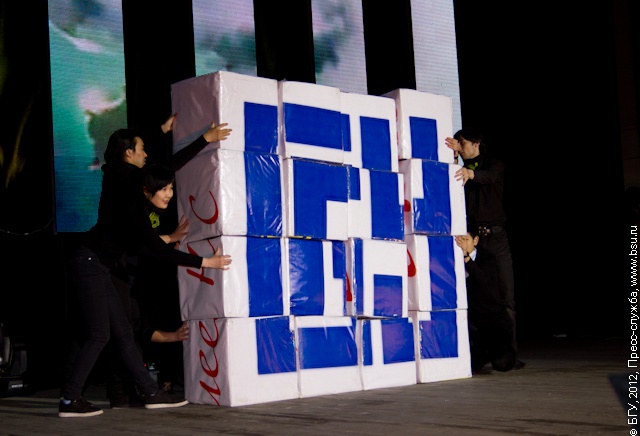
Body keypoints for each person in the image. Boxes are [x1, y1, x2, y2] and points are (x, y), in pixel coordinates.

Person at [59, 120, 233, 418]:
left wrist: (162, 131)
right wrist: (207, 262)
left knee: (124, 334)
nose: (146, 154)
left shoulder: (128, 192)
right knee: (98, 334)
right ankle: (69, 399)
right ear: (128, 153)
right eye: (141, 149)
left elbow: (146, 242)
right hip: (89, 263)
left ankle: (152, 393)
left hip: (99, 266)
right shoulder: (123, 180)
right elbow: (165, 170)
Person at [445, 128, 522, 367]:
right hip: (474, 238)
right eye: (458, 143)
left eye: (463, 143)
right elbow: (453, 180)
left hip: (496, 238)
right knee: (473, 295)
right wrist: (453, 158)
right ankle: (477, 353)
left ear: (476, 143)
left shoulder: (493, 164)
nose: (460, 147)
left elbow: (488, 176)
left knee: (505, 297)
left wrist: (471, 173)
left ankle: (509, 354)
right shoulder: (460, 169)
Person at [455, 222, 518, 372]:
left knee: (503, 364)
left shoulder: (487, 258)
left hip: (493, 319)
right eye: (459, 241)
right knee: (472, 365)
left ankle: (503, 352)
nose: (462, 244)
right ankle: (481, 355)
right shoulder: (452, 258)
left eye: (466, 240)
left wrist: (467, 258)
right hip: (474, 322)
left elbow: (482, 280)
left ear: (475, 240)